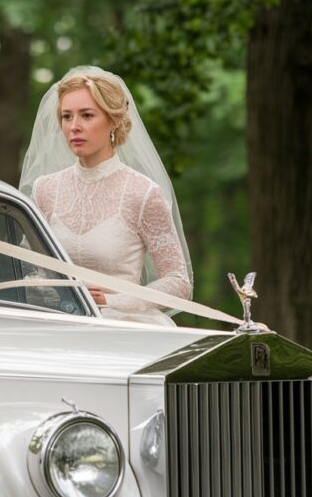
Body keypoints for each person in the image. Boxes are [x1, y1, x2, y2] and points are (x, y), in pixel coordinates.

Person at [20, 66, 192, 326]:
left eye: (87, 115)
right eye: (67, 117)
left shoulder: (141, 192)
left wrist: (115, 300)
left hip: (123, 331)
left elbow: (179, 282)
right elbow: (25, 269)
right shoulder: (45, 189)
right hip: (55, 327)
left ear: (113, 121)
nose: (74, 127)